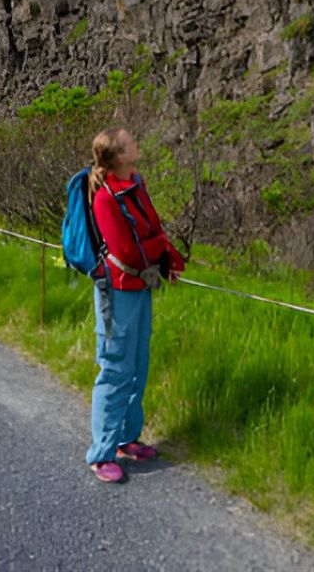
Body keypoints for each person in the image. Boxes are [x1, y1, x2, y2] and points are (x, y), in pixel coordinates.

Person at [85, 127, 185, 483]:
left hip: (141, 285)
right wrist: (161, 248)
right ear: (118, 155)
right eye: (130, 142)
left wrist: (167, 256)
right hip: (117, 291)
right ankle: (101, 453)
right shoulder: (105, 198)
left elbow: (153, 229)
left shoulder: (136, 184)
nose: (136, 143)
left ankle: (126, 438)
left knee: (138, 365)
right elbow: (127, 250)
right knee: (115, 368)